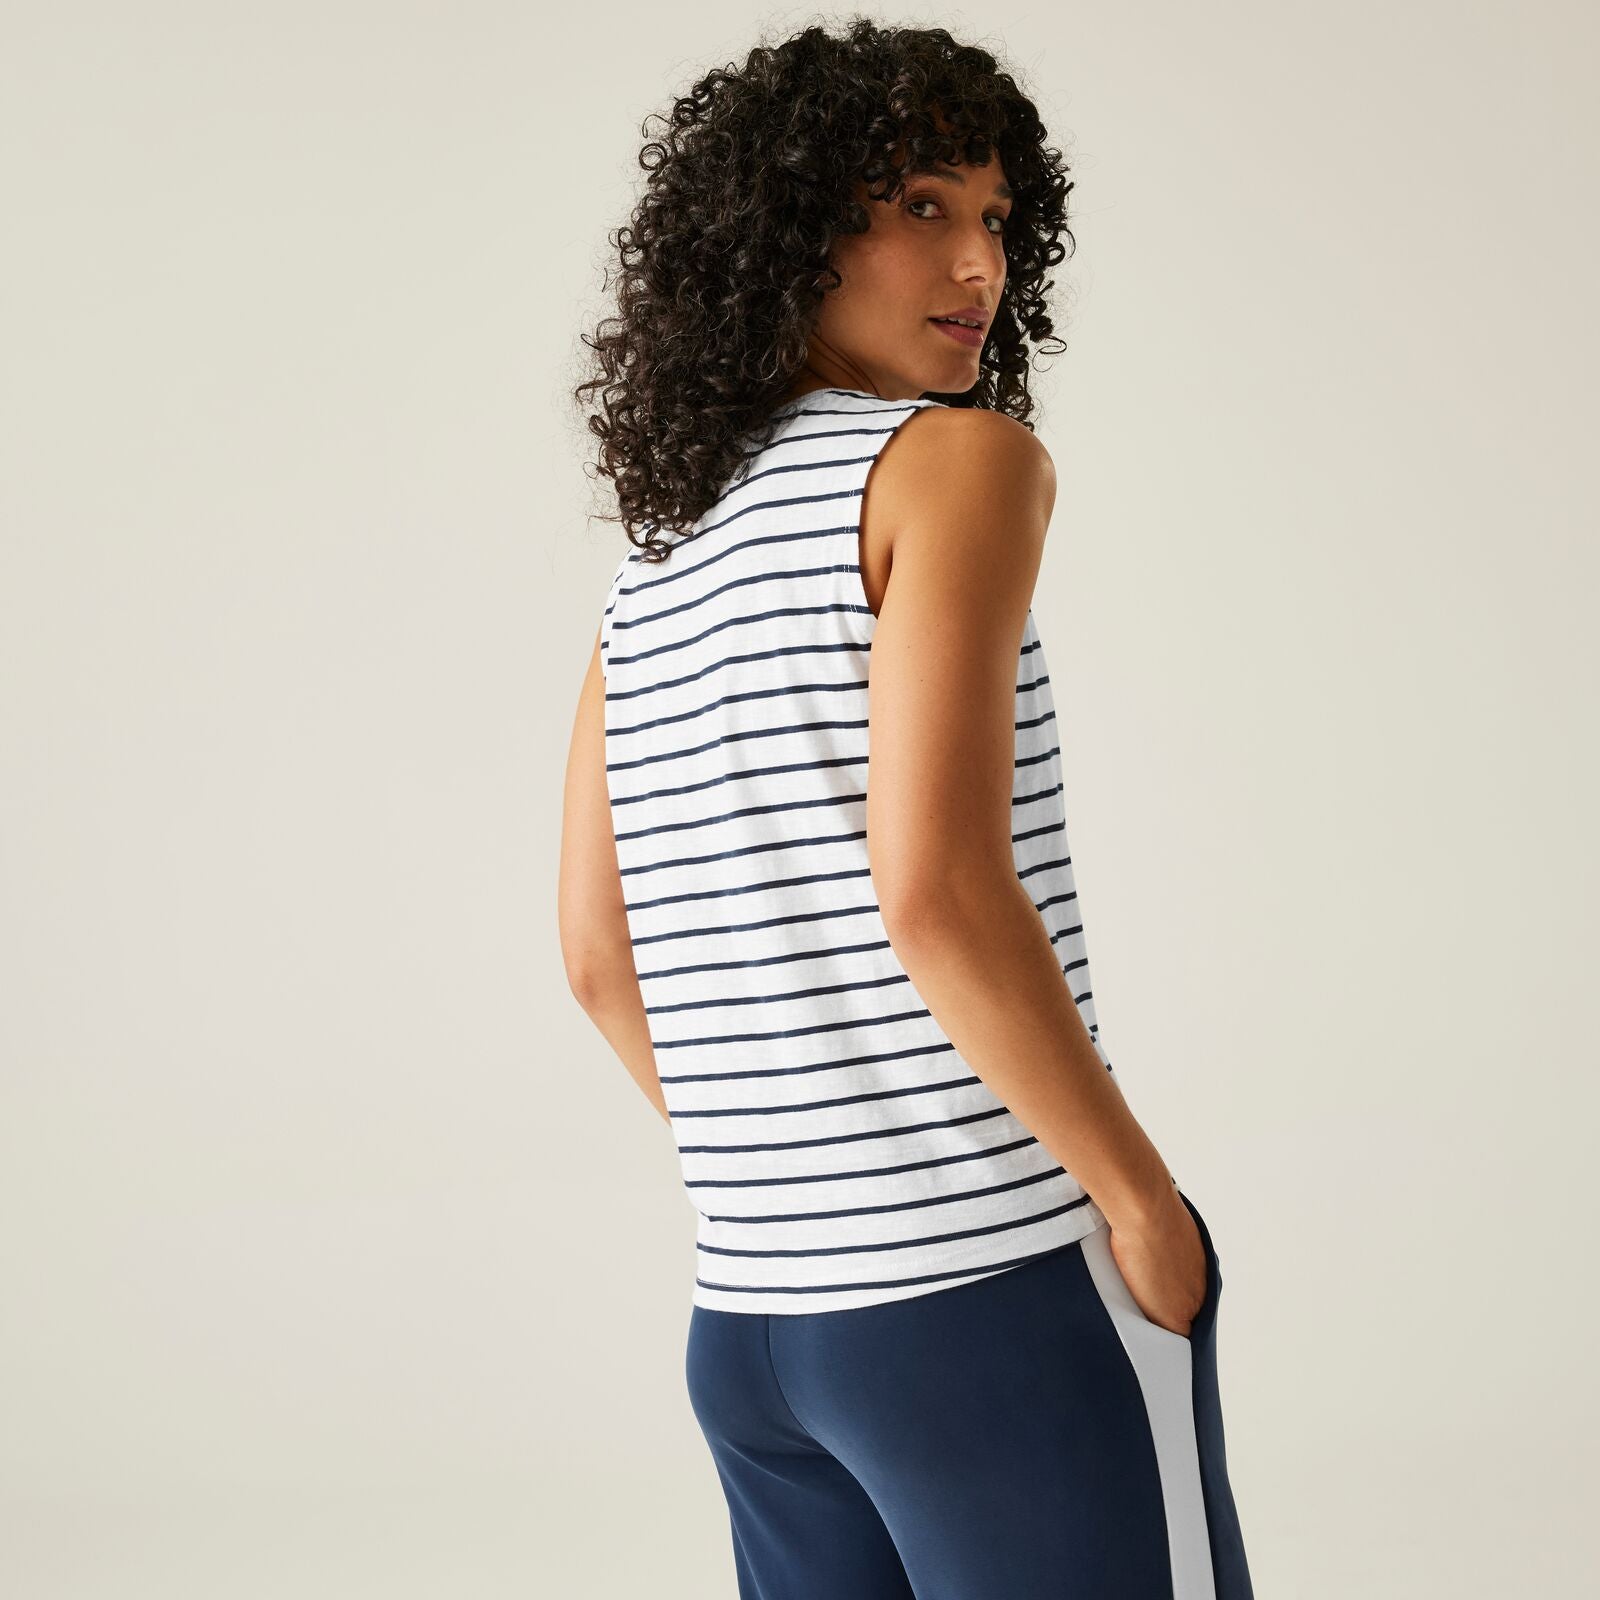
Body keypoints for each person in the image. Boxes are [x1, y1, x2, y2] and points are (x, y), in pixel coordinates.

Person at [558, 19, 1254, 1598]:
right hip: (986, 1299)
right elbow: (936, 885)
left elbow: (598, 956)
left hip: (754, 1329)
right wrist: (1140, 1201)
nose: (977, 262)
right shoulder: (954, 466)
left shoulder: (657, 559)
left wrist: (807, 1183)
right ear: (790, 228)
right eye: (921, 207)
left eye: (996, 216)